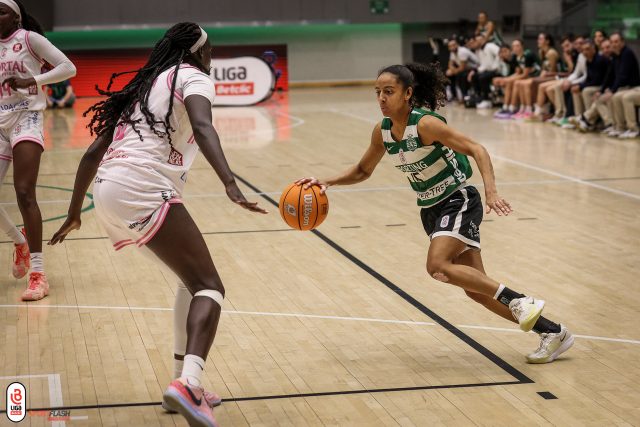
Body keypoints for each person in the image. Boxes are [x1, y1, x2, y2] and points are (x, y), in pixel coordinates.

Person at [49, 23, 268, 427]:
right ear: (198, 51)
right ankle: (190, 384)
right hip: (143, 185)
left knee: (189, 282)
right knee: (210, 286)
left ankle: (179, 385)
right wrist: (230, 184)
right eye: (211, 48)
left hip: (108, 188)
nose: (212, 55)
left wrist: (75, 212)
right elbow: (203, 126)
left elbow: (92, 152)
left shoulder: (144, 85)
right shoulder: (194, 78)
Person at [297, 63, 574, 364]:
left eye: (389, 91)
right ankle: (553, 332)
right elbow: (363, 170)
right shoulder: (383, 131)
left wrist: (491, 192)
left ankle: (519, 300)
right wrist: (328, 181)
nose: (381, 98)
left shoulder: (426, 124)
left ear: (407, 93)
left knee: (437, 265)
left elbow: (477, 149)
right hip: (430, 209)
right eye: (377, 92)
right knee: (476, 290)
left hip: (458, 199)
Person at [0, 0, 76, 300]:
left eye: (1, 11)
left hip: (27, 117)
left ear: (16, 18)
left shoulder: (30, 39)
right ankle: (19, 241)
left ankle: (38, 275)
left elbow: (68, 67)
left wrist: (33, 79)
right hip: (0, 122)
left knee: (24, 191)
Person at [577, 33, 640, 136]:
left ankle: (633, 128)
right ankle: (619, 127)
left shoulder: (627, 53)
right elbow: (610, 76)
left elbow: (623, 77)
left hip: (634, 87)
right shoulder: (616, 56)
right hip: (625, 87)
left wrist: (612, 90)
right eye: (612, 42)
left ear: (622, 42)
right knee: (607, 97)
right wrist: (603, 90)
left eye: (616, 42)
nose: (614, 44)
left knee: (620, 97)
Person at [513, 33, 558, 120]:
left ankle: (533, 110)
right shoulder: (541, 52)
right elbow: (543, 68)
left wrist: (542, 75)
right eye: (538, 39)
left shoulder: (551, 53)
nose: (538, 41)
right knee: (522, 83)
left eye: (540, 39)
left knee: (530, 83)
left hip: (554, 76)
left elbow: (553, 71)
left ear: (547, 41)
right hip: (544, 76)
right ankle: (524, 108)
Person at [493, 39, 539, 119]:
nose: (515, 48)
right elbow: (518, 73)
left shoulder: (527, 55)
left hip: (537, 75)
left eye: (517, 46)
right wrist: (507, 79)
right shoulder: (517, 57)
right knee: (510, 82)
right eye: (514, 46)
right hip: (529, 75)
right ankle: (506, 107)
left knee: (517, 83)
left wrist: (508, 79)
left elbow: (525, 74)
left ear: (522, 46)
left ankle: (521, 108)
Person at [468, 34, 500, 109]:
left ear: (484, 39)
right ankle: (480, 96)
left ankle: (487, 99)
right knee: (475, 76)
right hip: (487, 71)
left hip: (496, 70)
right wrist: (475, 71)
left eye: (480, 39)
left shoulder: (490, 46)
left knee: (482, 78)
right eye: (477, 40)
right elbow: (483, 65)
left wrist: (496, 66)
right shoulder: (479, 51)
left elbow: (500, 53)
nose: (478, 41)